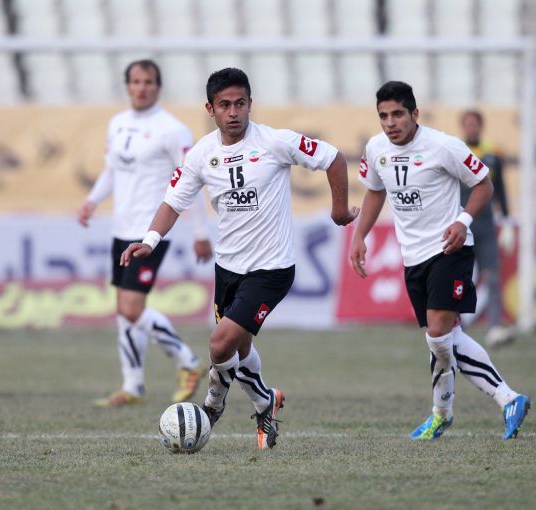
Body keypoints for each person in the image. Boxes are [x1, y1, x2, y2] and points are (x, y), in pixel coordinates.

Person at [120, 68, 358, 449]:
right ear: (210, 109)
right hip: (228, 268)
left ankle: (213, 403)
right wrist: (149, 240)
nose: (233, 112)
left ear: (250, 104)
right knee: (240, 347)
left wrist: (340, 209)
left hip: (271, 269)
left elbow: (333, 158)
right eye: (225, 105)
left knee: (220, 344)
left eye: (240, 104)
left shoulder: (275, 141)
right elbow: (173, 202)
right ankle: (265, 401)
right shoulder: (202, 154)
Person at [349, 81, 530, 440]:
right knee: (443, 338)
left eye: (398, 114)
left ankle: (503, 399)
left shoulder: (444, 146)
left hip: (450, 250)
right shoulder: (375, 148)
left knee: (438, 333)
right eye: (384, 116)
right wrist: (359, 235)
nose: (390, 123)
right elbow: (375, 191)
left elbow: (484, 184)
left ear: (415, 113)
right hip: (412, 256)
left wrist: (463, 221)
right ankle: (447, 414)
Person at [78, 59, 213, 407]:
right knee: (125, 310)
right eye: (136, 81)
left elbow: (191, 181)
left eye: (148, 82)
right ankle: (132, 386)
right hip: (121, 228)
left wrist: (201, 232)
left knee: (131, 306)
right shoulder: (117, 123)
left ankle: (189, 362)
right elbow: (111, 169)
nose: (142, 87)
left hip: (151, 233)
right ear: (127, 85)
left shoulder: (172, 130)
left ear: (158, 86)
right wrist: (92, 200)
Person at [459, 110, 515, 348]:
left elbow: (500, 189)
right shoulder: (456, 151)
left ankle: (494, 328)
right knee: (460, 278)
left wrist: (507, 221)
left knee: (492, 276)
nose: (472, 128)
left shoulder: (493, 154)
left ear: (481, 126)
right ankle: (457, 328)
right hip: (462, 225)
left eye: (475, 124)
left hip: (486, 225)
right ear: (463, 127)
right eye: (468, 124)